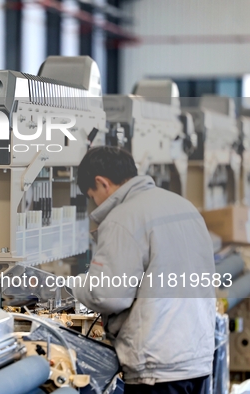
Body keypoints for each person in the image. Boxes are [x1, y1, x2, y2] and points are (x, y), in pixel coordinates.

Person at [73, 146, 215, 394]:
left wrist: (73, 287)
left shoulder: (123, 217)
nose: (94, 202)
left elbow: (108, 296)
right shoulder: (183, 206)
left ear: (102, 183)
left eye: (91, 194)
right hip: (197, 357)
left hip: (157, 365)